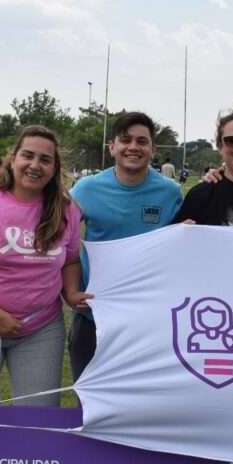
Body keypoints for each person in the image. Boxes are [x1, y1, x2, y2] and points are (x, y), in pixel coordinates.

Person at [0, 126, 87, 406]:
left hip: (40, 329)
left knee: (38, 416)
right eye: (28, 156)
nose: (35, 165)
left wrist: (71, 293)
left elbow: (69, 259)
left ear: (55, 167)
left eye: (45, 160)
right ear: (12, 158)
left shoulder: (66, 209)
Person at [69, 112, 182, 380]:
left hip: (148, 319)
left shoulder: (170, 192)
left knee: (143, 401)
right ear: (112, 147)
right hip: (94, 315)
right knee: (88, 400)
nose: (133, 147)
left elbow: (182, 247)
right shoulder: (86, 189)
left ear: (153, 149)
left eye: (142, 141)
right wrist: (72, 292)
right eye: (126, 140)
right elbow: (65, 246)